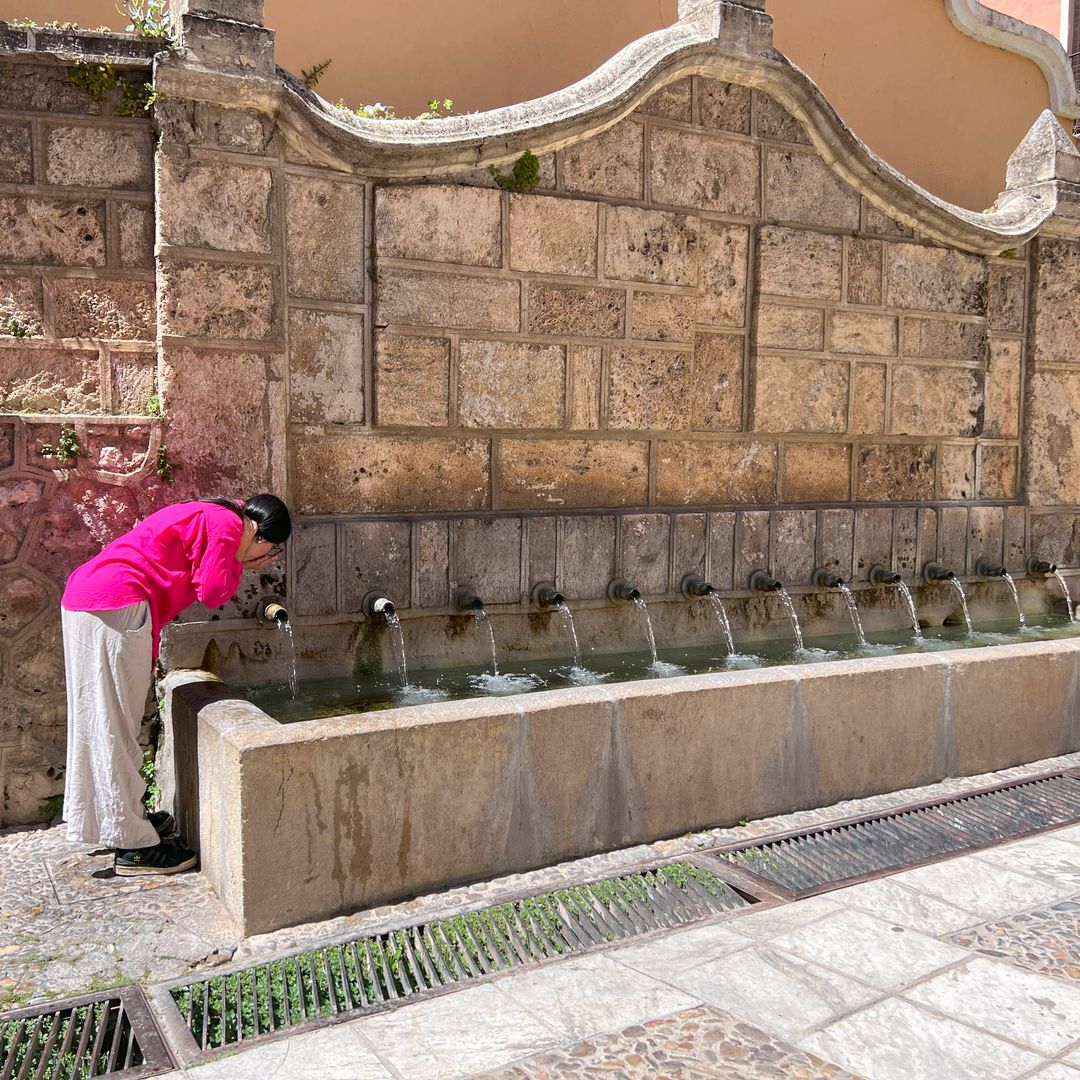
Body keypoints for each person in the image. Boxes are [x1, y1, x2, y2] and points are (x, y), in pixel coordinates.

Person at [60, 494, 291, 875]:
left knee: (99, 719)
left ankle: (117, 820)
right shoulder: (230, 528)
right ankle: (134, 846)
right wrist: (240, 561)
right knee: (116, 724)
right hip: (116, 602)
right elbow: (213, 591)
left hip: (91, 597)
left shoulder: (218, 513)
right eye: (270, 550)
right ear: (265, 540)